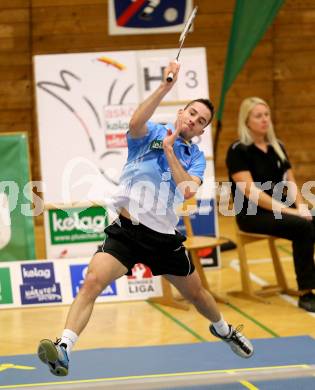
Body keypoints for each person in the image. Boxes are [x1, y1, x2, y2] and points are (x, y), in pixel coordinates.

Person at [38, 61, 253, 377]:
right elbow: (136, 120)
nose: (194, 121)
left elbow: (189, 190)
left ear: (202, 131)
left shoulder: (193, 158)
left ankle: (223, 329)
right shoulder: (150, 132)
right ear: (182, 113)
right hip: (126, 231)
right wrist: (166, 86)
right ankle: (64, 349)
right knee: (92, 282)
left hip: (163, 238)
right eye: (192, 113)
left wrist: (169, 152)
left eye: (201, 121)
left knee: (196, 294)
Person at [226, 96, 315, 312]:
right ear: (246, 121)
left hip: (280, 207)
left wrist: (301, 206)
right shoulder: (238, 150)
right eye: (258, 116)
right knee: (302, 226)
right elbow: (251, 191)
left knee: (310, 219)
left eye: (266, 115)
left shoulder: (277, 146)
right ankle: (306, 292)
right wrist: (291, 212)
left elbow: (290, 181)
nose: (264, 120)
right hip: (252, 214)